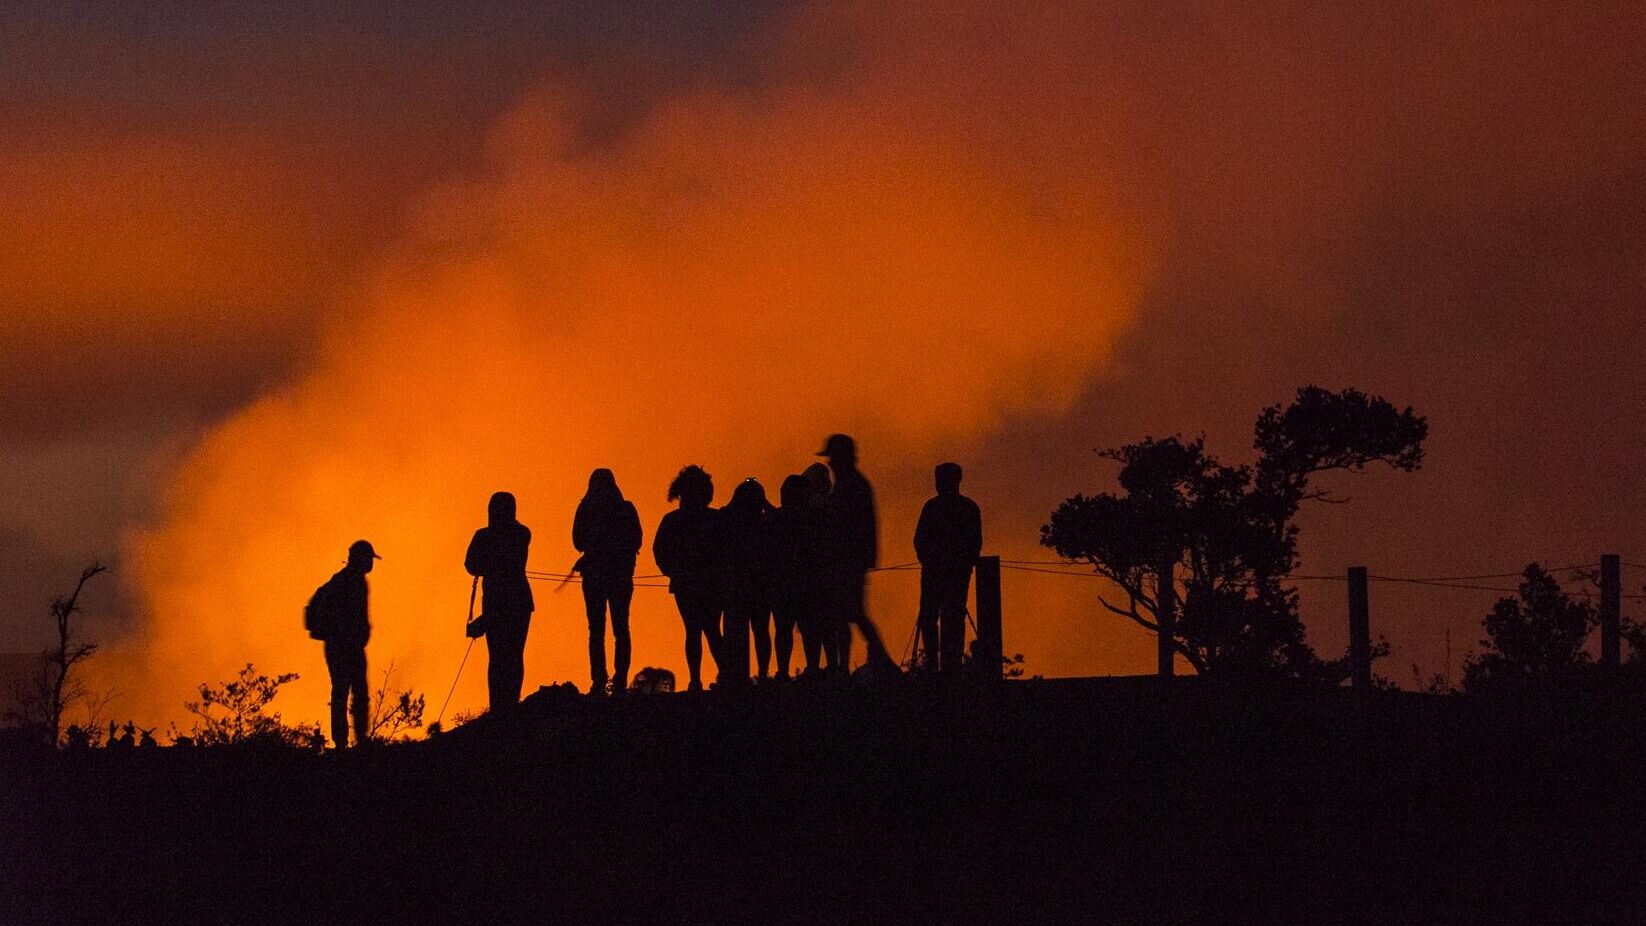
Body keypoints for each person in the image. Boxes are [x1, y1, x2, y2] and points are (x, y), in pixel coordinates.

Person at [817, 434, 893, 671]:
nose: (829, 462)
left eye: (832, 456)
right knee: (849, 614)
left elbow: (851, 525)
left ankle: (856, 664)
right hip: (847, 560)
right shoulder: (851, 483)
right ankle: (851, 665)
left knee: (850, 613)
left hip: (846, 561)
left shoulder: (852, 486)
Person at [652, 465, 725, 691]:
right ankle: (724, 675)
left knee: (694, 630)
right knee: (711, 629)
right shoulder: (715, 519)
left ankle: (697, 680)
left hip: (688, 582)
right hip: (707, 582)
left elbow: (659, 551)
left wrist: (671, 570)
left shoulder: (672, 520)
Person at [573, 469, 642, 695]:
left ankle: (599, 681)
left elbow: (577, 541)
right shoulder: (625, 508)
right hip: (619, 576)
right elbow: (637, 539)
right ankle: (619, 680)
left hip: (595, 577)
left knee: (597, 630)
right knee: (620, 629)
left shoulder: (586, 508)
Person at [465, 491, 534, 713]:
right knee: (512, 655)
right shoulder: (521, 533)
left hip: (498, 603)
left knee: (499, 657)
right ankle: (508, 705)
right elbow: (474, 564)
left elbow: (472, 564)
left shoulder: (484, 536)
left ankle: (501, 707)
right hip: (517, 602)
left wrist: (489, 564)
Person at [914, 462, 983, 676]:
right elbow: (975, 544)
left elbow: (919, 540)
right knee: (950, 616)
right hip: (953, 573)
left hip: (938, 573)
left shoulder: (933, 507)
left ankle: (937, 664)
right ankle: (949, 664)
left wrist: (928, 560)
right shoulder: (968, 508)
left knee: (933, 616)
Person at [309, 539, 379, 748]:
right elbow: (352, 616)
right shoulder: (350, 582)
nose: (371, 563)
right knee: (349, 691)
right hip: (345, 647)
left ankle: (346, 741)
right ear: (361, 558)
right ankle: (351, 740)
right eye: (369, 558)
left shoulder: (347, 580)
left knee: (345, 691)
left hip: (344, 646)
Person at [772, 474, 830, 675]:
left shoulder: (777, 518)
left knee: (785, 629)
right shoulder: (816, 518)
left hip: (786, 583)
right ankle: (813, 668)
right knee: (808, 628)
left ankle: (783, 671)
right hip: (807, 582)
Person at [721, 478, 777, 684]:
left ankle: (736, 676)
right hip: (760, 584)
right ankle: (762, 674)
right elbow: (778, 517)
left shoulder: (728, 520)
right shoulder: (765, 523)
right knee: (761, 630)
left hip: (736, 585)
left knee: (737, 632)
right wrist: (767, 505)